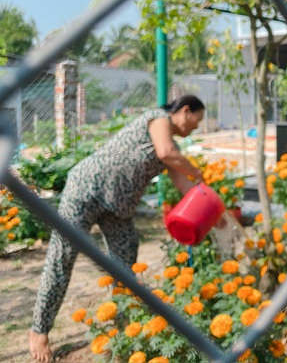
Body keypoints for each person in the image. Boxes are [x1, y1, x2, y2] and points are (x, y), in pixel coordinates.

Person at [29, 95, 207, 362]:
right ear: (184, 111)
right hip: (85, 191)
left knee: (126, 260)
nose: (196, 127)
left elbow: (184, 186)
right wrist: (199, 173)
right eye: (197, 120)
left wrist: (208, 204)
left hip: (117, 207)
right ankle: (39, 331)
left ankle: (122, 324)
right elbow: (166, 153)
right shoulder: (158, 120)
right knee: (62, 256)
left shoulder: (172, 146)